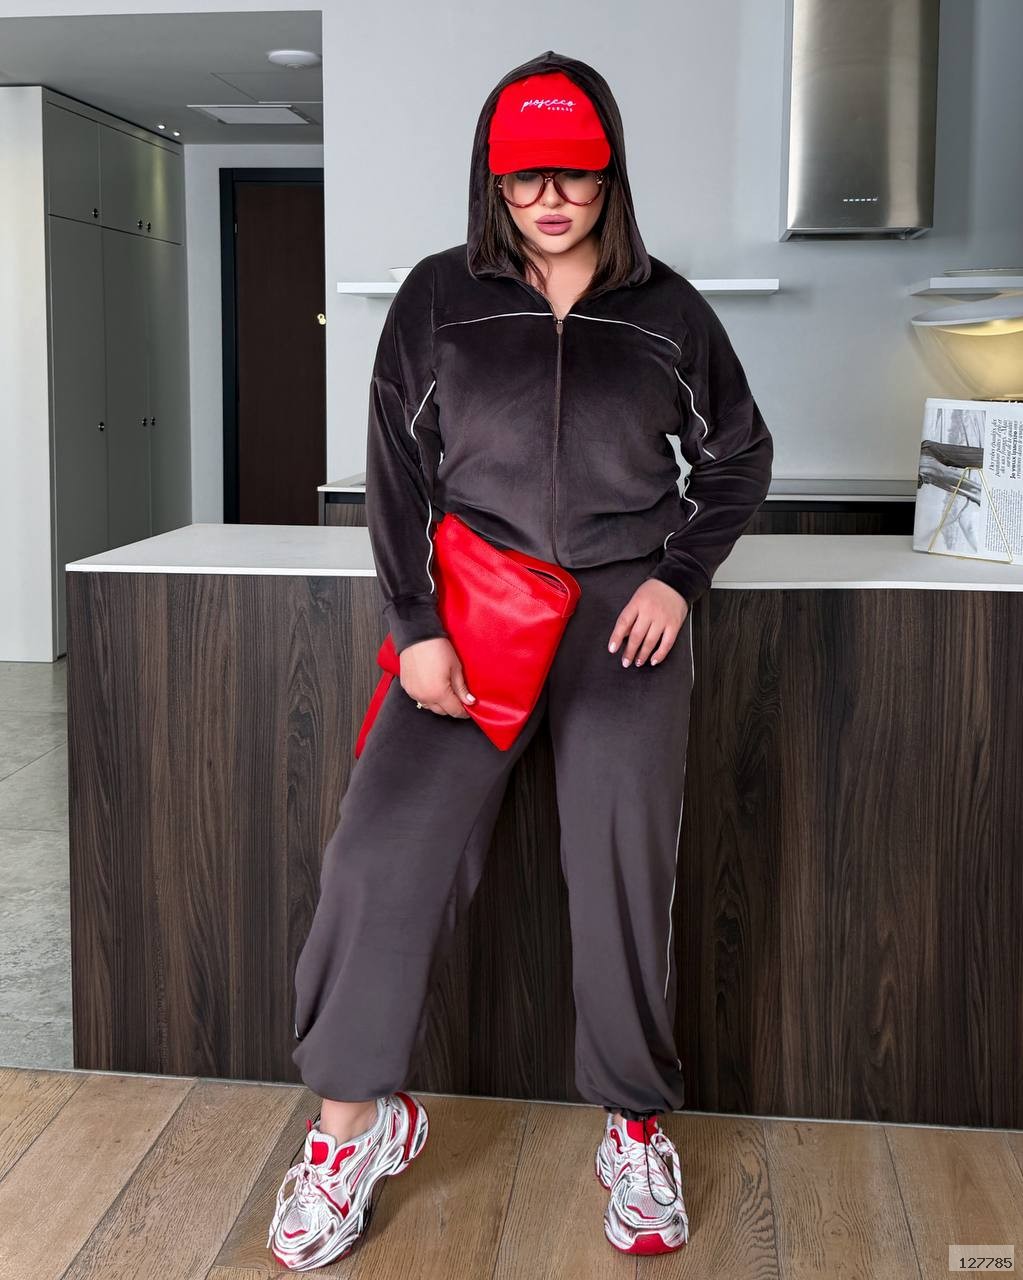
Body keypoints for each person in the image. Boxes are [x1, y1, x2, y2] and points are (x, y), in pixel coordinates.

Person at [267, 48, 773, 1271]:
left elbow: (740, 455)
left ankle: (633, 1128)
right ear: (494, 179)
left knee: (623, 870)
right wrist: (415, 625)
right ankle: (350, 1129)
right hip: (475, 616)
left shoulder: (668, 313)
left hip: (620, 628)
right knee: (379, 855)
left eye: (575, 175)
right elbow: (396, 472)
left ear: (611, 177)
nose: (551, 198)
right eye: (526, 176)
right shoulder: (440, 297)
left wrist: (677, 575)